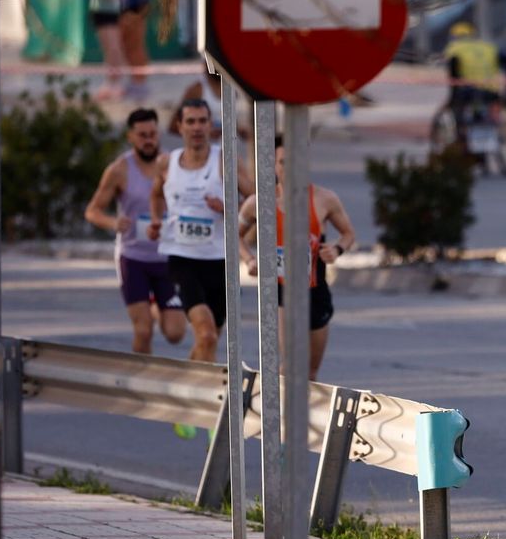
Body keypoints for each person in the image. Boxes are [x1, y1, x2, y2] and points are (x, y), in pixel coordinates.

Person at [238, 135, 358, 381]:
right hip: (280, 292)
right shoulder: (259, 203)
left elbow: (348, 234)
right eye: (282, 162)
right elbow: (234, 235)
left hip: (315, 290)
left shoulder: (324, 199)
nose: (288, 168)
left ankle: (300, 418)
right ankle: (282, 417)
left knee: (311, 371)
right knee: (291, 365)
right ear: (273, 164)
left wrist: (336, 250)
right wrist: (250, 260)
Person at [147, 98, 254, 363]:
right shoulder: (166, 163)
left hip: (220, 260)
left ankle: (187, 391)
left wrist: (226, 208)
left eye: (202, 121)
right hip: (182, 259)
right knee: (205, 335)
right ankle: (199, 400)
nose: (197, 128)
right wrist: (156, 220)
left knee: (209, 339)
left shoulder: (225, 161)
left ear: (210, 126)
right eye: (191, 122)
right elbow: (157, 194)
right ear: (180, 127)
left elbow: (257, 204)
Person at [83, 107, 187, 353]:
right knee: (143, 330)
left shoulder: (173, 165)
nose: (149, 140)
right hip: (133, 258)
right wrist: (112, 223)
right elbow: (92, 210)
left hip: (168, 258)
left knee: (175, 333)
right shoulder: (119, 170)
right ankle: (142, 382)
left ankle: (155, 304)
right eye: (142, 135)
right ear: (131, 136)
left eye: (152, 134)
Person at [442, 21, 506, 140]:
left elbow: (453, 73)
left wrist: (452, 96)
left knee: (458, 111)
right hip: (491, 92)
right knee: (489, 114)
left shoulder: (454, 48)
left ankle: (461, 136)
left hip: (467, 92)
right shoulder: (488, 47)